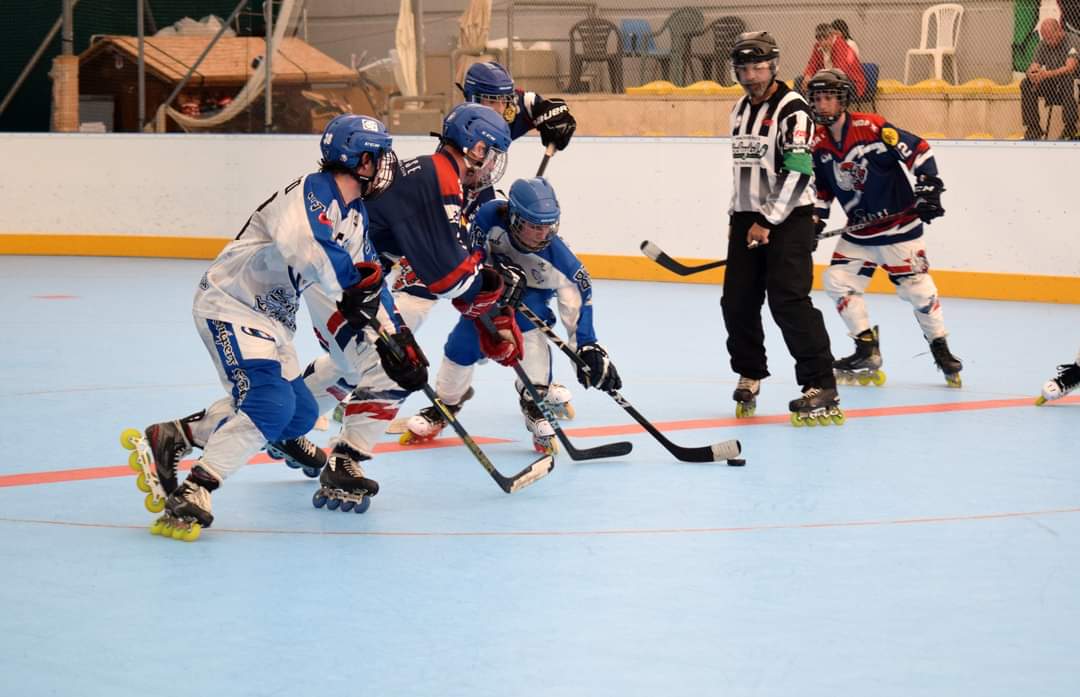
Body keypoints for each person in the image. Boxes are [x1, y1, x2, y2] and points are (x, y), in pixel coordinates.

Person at [122, 114, 399, 539]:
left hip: (271, 319)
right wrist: (354, 284)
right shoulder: (313, 193)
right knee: (270, 404)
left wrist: (396, 337)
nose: (384, 166)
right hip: (231, 303)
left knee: (300, 414)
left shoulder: (355, 214)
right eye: (378, 157)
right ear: (358, 159)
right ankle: (200, 486)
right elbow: (307, 251)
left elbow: (369, 274)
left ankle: (177, 435)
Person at [291, 103, 525, 501]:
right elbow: (449, 277)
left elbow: (449, 265)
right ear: (477, 148)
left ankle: (284, 427)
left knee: (351, 368)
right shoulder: (440, 178)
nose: (492, 166)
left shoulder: (438, 175)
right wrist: (493, 298)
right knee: (397, 364)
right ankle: (345, 459)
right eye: (492, 153)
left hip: (348, 281)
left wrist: (488, 302)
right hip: (339, 278)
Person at [398, 177, 620, 453]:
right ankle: (447, 402)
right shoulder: (489, 216)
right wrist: (492, 273)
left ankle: (535, 398)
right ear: (514, 217)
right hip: (489, 297)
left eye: (548, 226)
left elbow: (579, 308)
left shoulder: (561, 262)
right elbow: (471, 254)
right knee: (461, 346)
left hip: (532, 303)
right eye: (535, 226)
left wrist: (587, 349)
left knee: (529, 338)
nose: (543, 234)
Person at [806, 68, 962, 388]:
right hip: (860, 232)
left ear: (842, 100)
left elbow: (918, 149)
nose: (822, 105)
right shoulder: (817, 144)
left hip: (899, 228)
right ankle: (866, 348)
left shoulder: (872, 126)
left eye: (829, 98)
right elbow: (822, 189)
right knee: (836, 280)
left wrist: (929, 187)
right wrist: (813, 221)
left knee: (917, 291)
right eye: (817, 98)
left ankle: (941, 348)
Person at [722, 32, 843, 427]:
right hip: (746, 218)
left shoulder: (794, 109)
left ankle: (820, 383)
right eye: (744, 68)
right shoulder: (740, 108)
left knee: (788, 301)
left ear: (773, 66)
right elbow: (746, 170)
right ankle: (750, 373)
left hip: (787, 217)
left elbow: (799, 170)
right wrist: (742, 218)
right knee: (737, 301)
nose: (751, 75)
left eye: (758, 67)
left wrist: (768, 220)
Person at [459, 61, 576, 218]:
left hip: (482, 189)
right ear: (472, 99)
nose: (500, 109)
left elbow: (530, 102)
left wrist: (555, 116)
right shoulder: (460, 135)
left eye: (504, 100)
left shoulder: (507, 111)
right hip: (464, 195)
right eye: (492, 101)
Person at [1021, 18, 1079, 140]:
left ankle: (1070, 126)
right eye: (1045, 39)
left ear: (1059, 31)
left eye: (1050, 38)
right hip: (1052, 87)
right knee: (1026, 83)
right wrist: (1032, 74)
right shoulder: (1044, 44)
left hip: (1071, 86)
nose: (1048, 42)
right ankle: (1033, 128)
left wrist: (1047, 74)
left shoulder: (1072, 40)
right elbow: (1034, 65)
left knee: (1068, 78)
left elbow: (1070, 67)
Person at [796, 23, 865, 98]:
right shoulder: (817, 46)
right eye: (820, 39)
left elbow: (839, 72)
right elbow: (812, 64)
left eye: (825, 38)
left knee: (833, 84)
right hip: (827, 79)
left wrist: (819, 77)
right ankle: (801, 106)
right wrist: (808, 76)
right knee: (799, 81)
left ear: (832, 36)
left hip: (851, 82)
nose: (823, 43)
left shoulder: (840, 45)